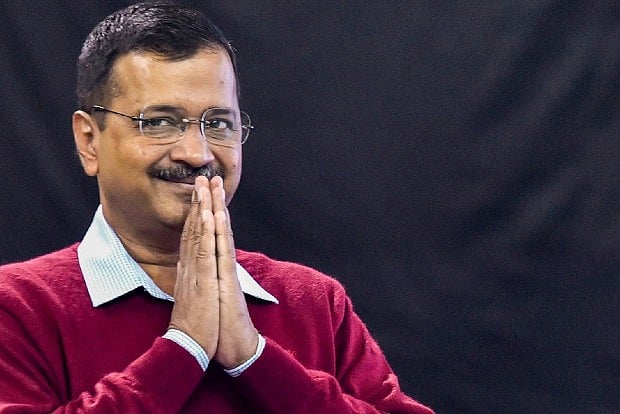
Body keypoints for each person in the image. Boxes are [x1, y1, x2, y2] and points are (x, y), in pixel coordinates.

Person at [0, 2, 433, 413]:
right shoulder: (17, 307)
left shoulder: (315, 302)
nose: (197, 153)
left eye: (219, 123)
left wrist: (253, 356)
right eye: (160, 122)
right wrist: (184, 347)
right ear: (89, 141)